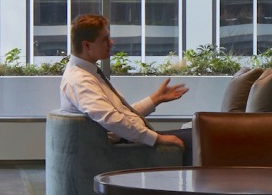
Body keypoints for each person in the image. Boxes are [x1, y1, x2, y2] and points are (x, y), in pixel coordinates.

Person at [59, 13, 189, 150]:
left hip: (130, 140)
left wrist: (156, 99)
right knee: (199, 139)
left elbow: (122, 114)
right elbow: (112, 119)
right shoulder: (79, 80)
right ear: (87, 46)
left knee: (197, 133)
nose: (111, 42)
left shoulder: (89, 73)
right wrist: (156, 139)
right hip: (125, 148)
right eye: (105, 39)